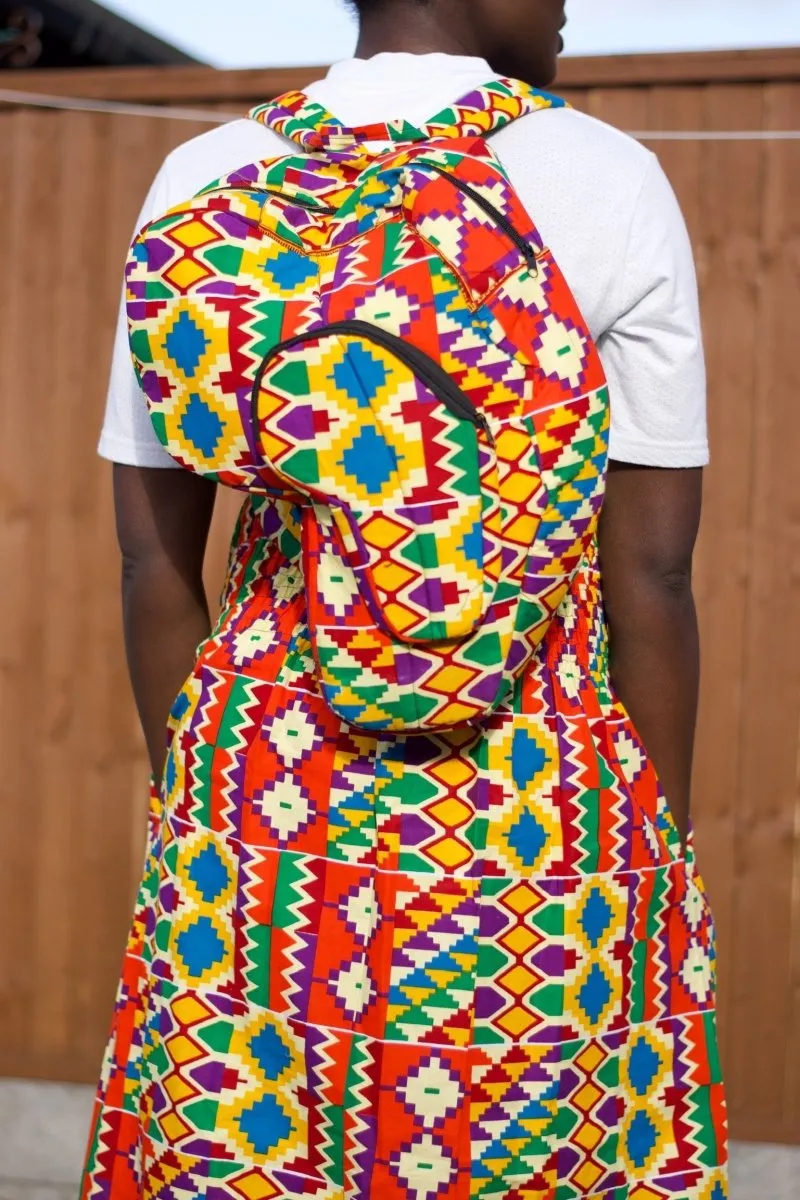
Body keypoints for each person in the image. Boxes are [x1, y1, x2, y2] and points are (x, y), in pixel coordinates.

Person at [82, 1, 729, 1197]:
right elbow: (653, 571)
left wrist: (202, 811)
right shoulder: (603, 176)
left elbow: (149, 561)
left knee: (252, 1149)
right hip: (536, 798)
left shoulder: (204, 178)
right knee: (536, 1143)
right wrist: (655, 855)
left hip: (267, 778)